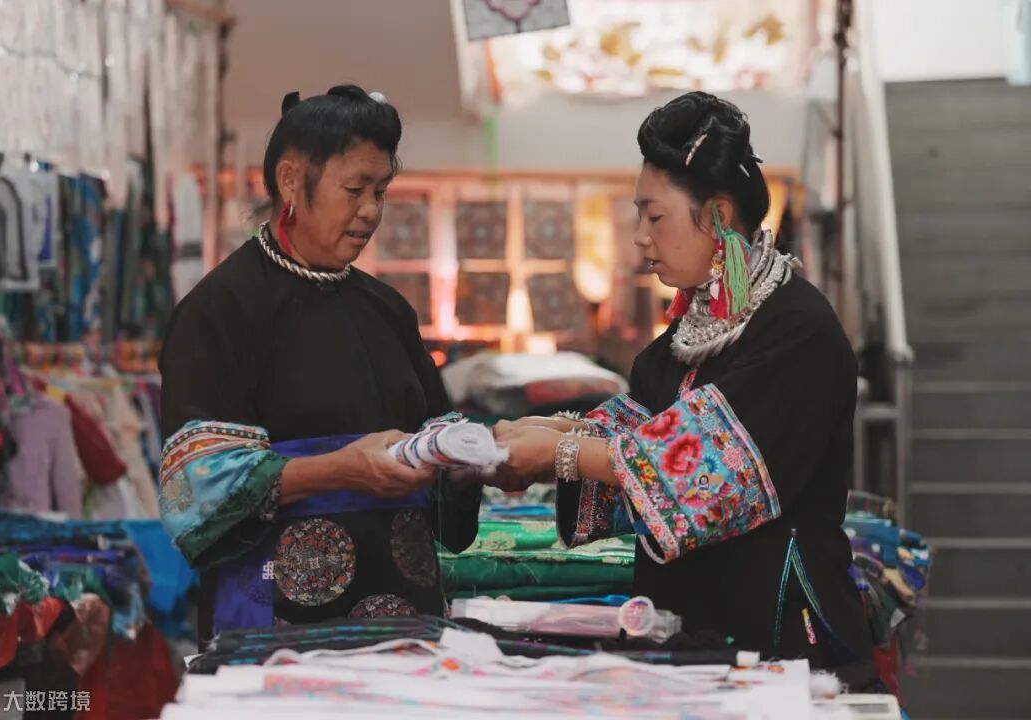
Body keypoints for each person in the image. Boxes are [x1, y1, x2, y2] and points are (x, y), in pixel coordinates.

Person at [495, 92, 877, 686]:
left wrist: (561, 451)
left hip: (777, 634)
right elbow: (637, 431)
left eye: (655, 218)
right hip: (687, 629)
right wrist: (546, 435)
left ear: (718, 216)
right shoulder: (687, 333)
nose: (640, 238)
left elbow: (695, 465)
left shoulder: (797, 329)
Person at [159, 85, 482, 642]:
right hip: (275, 608)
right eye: (355, 189)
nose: (370, 211)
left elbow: (436, 433)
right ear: (290, 180)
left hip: (403, 606)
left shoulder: (387, 308)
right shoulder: (220, 308)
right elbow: (197, 487)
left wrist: (470, 458)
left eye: (381, 191)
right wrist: (339, 470)